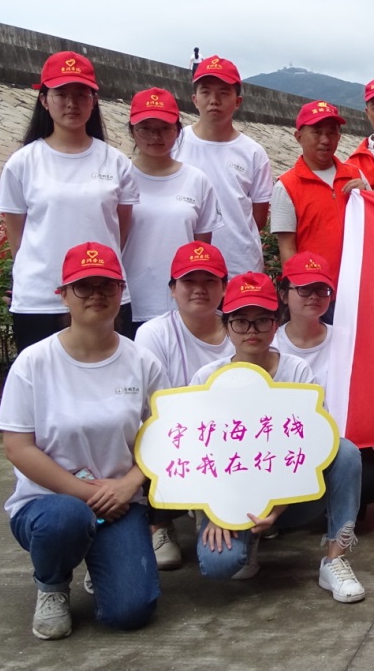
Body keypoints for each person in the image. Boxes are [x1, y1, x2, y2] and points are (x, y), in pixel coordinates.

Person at [0, 242, 164, 639]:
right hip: (49, 505)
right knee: (67, 518)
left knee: (131, 611)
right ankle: (52, 585)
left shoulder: (142, 362)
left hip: (120, 504)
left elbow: (165, 435)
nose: (95, 295)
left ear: (121, 292)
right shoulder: (34, 362)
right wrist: (86, 493)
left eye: (107, 285)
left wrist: (129, 484)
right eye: (83, 286)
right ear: (63, 295)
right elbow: (17, 447)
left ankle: (99, 559)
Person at [191, 272, 367, 603]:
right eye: (240, 321)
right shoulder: (208, 378)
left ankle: (335, 559)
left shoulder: (296, 372)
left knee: (344, 452)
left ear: (275, 324)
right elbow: (197, 454)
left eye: (262, 320)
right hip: (233, 496)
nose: (252, 330)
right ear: (226, 325)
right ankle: (248, 541)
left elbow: (314, 444)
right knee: (220, 566)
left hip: (293, 497)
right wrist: (213, 512)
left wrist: (277, 508)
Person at [0, 51, 139, 350]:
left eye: (81, 94)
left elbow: (120, 232)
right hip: (40, 299)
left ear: (94, 100)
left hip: (104, 295)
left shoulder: (116, 163)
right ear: (44, 100)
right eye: (61, 94)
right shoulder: (22, 163)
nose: (72, 103)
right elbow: (17, 239)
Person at [133, 241, 233, 570]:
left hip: (231, 439)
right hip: (177, 437)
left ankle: (235, 507)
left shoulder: (240, 327)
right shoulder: (154, 333)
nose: (199, 289)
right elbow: (155, 409)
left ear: (225, 287)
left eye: (210, 281)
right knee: (145, 432)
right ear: (172, 289)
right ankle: (160, 525)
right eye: (189, 281)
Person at [274, 252, 374, 521]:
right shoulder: (270, 344)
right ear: (284, 295)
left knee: (370, 481)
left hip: (342, 440)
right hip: (285, 444)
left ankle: (333, 505)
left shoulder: (348, 340)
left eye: (322, 289)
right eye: (304, 289)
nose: (314, 296)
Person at [123, 88, 221, 331]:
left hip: (183, 305)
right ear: (132, 131)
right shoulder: (120, 177)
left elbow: (201, 249)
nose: (155, 136)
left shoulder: (197, 180)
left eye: (165, 128)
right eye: (146, 128)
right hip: (128, 301)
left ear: (177, 130)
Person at [174, 55, 272, 274]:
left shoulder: (253, 152)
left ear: (238, 101)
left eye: (223, 93)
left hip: (240, 265)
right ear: (194, 99)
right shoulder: (175, 144)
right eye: (206, 92)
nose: (214, 100)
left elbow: (258, 218)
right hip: (187, 266)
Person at [271, 100, 366, 292]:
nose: (325, 140)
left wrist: (368, 197)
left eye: (331, 132)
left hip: (357, 288)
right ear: (298, 137)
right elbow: (287, 248)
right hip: (315, 292)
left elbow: (373, 231)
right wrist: (300, 291)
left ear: (339, 136)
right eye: (317, 132)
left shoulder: (356, 176)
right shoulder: (286, 186)